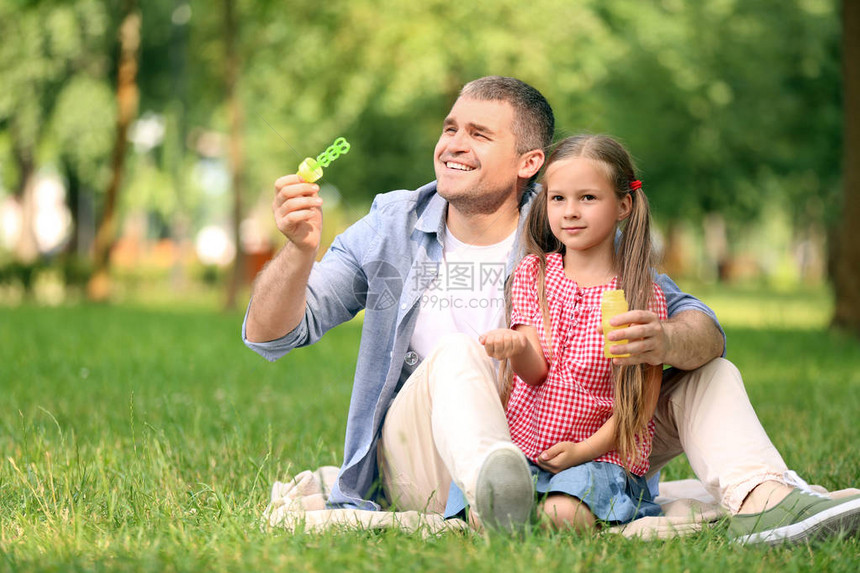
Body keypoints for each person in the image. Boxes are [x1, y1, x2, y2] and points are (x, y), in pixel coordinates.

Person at [243, 76, 860, 542]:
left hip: (563, 435)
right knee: (463, 353)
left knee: (710, 372)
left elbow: (703, 327)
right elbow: (269, 337)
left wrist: (665, 342)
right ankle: (498, 498)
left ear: (529, 163)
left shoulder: (569, 222)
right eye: (451, 128)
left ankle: (766, 503)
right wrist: (298, 252)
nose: (453, 145)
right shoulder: (390, 226)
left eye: (479, 135)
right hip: (434, 458)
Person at [470, 134, 668, 530]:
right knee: (481, 508)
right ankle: (510, 512)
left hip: (599, 456)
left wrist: (581, 452)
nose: (570, 212)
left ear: (623, 205)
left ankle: (538, 515)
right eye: (558, 198)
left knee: (560, 515)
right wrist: (516, 346)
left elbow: (639, 407)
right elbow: (535, 372)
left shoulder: (640, 296)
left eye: (588, 198)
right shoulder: (534, 274)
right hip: (525, 448)